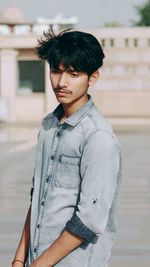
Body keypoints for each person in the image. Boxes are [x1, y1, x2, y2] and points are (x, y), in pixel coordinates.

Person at [12, 29, 122, 267]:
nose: (61, 83)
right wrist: (20, 258)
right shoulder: (49, 125)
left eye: (73, 74)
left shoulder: (98, 136)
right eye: (56, 71)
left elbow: (89, 221)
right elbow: (38, 197)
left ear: (92, 78)